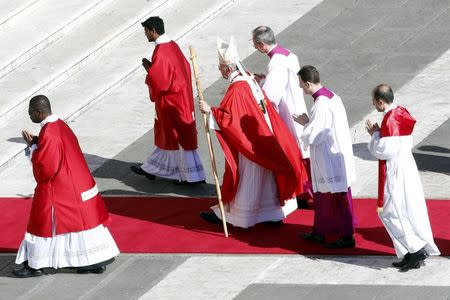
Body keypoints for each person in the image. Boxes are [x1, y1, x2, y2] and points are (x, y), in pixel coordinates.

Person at [198, 37, 308, 228]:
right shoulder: (248, 79)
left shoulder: (238, 88)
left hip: (250, 142)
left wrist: (210, 111)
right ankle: (273, 215)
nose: (219, 70)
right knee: (266, 182)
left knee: (249, 180)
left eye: (220, 66)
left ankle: (240, 217)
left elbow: (231, 118)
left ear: (228, 67)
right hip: (262, 138)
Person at [13, 95, 119, 278]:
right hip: (77, 182)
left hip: (60, 189)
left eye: (31, 113)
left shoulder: (50, 133)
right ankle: (92, 261)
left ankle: (35, 264)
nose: (29, 116)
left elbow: (46, 169)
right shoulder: (60, 125)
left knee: (42, 223)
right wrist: (39, 142)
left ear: (40, 112)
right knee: (83, 226)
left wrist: (33, 148)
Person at [366, 84, 440, 272]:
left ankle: (416, 249)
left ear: (381, 102)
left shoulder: (390, 120)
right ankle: (408, 252)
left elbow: (383, 151)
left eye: (374, 101)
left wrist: (374, 135)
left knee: (391, 212)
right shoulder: (400, 111)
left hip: (395, 170)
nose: (373, 104)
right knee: (403, 210)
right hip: (406, 165)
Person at [130, 16, 206, 185]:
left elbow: (161, 81)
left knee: (175, 138)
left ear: (153, 31)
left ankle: (190, 176)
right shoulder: (172, 45)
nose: (145, 35)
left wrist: (150, 71)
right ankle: (152, 168)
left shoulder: (162, 50)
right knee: (173, 137)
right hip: (180, 98)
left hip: (171, 102)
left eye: (146, 31)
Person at [293, 65, 356, 248]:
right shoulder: (332, 96)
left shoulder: (321, 104)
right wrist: (310, 123)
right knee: (322, 196)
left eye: (301, 85)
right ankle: (320, 231)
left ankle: (346, 236)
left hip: (330, 157)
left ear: (308, 83)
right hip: (331, 153)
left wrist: (305, 124)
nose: (301, 89)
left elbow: (315, 135)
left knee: (338, 196)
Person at [252, 26, 313, 208]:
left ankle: (303, 193)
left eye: (255, 44)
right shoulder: (289, 54)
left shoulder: (276, 62)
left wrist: (257, 87)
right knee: (301, 150)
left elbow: (270, 95)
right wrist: (264, 79)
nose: (255, 48)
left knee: (294, 152)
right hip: (297, 105)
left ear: (262, 44)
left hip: (288, 113)